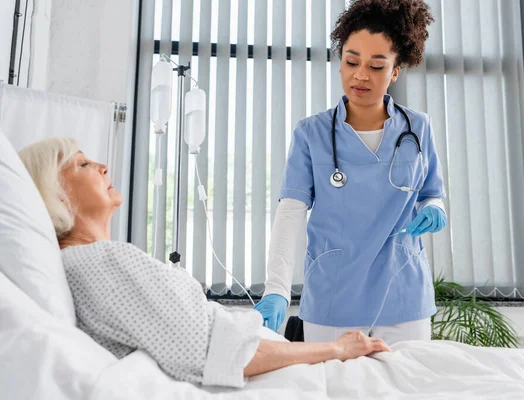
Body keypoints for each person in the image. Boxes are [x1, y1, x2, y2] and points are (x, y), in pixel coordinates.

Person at [18, 137, 391, 389]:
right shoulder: (99, 263)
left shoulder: (94, 262)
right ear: (56, 194)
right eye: (81, 164)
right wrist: (337, 349)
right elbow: (224, 352)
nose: (101, 165)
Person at [254, 0, 447, 344]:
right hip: (333, 297)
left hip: (403, 294)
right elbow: (291, 212)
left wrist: (434, 208)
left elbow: (431, 192)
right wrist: (277, 289)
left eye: (376, 66)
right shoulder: (311, 134)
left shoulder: (418, 127)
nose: (360, 75)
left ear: (396, 70)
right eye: (351, 61)